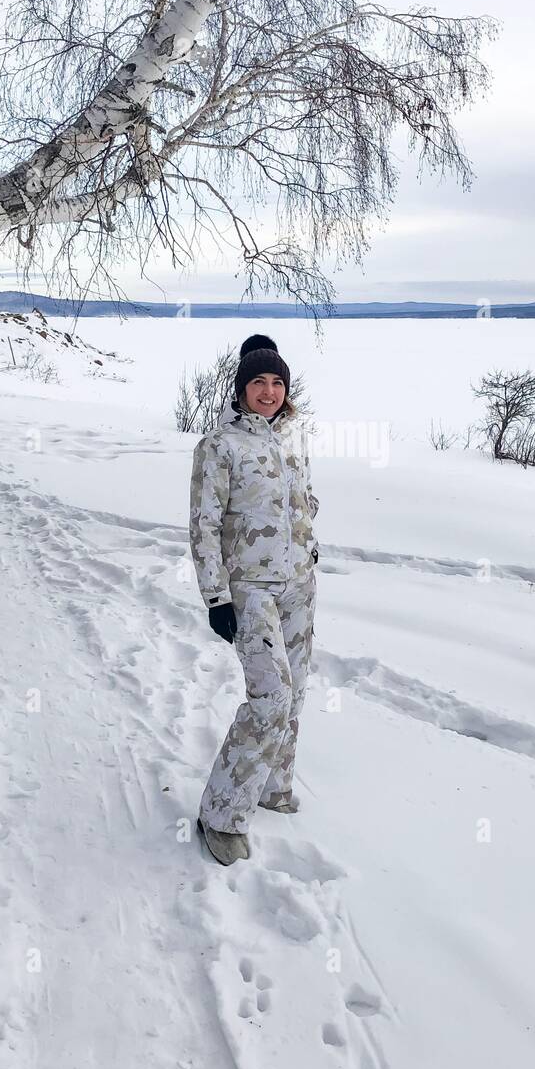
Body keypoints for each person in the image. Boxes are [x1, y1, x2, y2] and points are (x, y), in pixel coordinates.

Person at [188, 335, 319, 866]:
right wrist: (216, 597)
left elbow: (304, 498)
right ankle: (221, 813)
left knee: (299, 691)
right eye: (258, 382)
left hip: (300, 584)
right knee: (272, 698)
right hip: (249, 590)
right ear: (241, 389)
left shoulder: (291, 440)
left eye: (277, 382)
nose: (268, 391)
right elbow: (203, 525)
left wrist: (308, 537)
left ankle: (271, 787)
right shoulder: (219, 445)